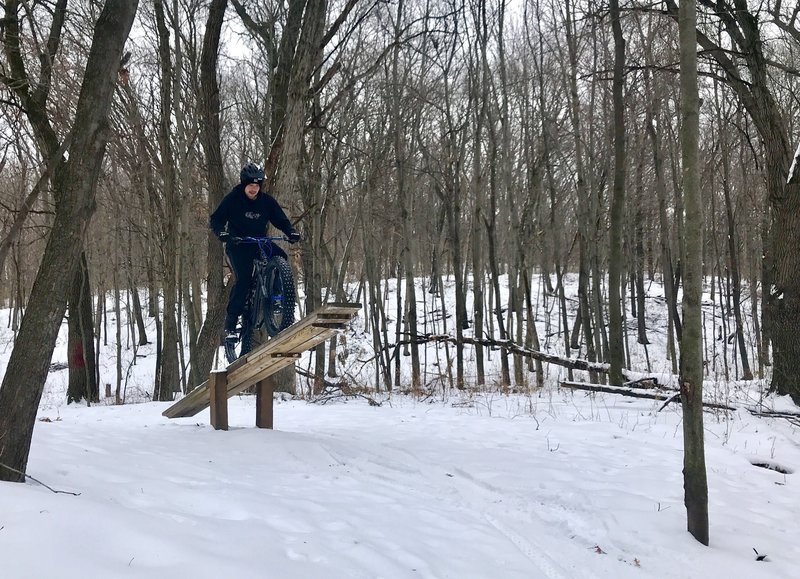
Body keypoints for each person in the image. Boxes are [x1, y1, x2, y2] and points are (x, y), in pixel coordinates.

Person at [210, 163, 300, 340]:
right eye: (250, 185)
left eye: (257, 186)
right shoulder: (233, 199)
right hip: (238, 244)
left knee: (280, 256)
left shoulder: (266, 201)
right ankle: (231, 321)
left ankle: (275, 298)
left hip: (260, 242)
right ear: (244, 185)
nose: (253, 189)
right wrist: (222, 233)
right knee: (243, 280)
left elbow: (280, 220)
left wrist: (291, 232)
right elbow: (216, 219)